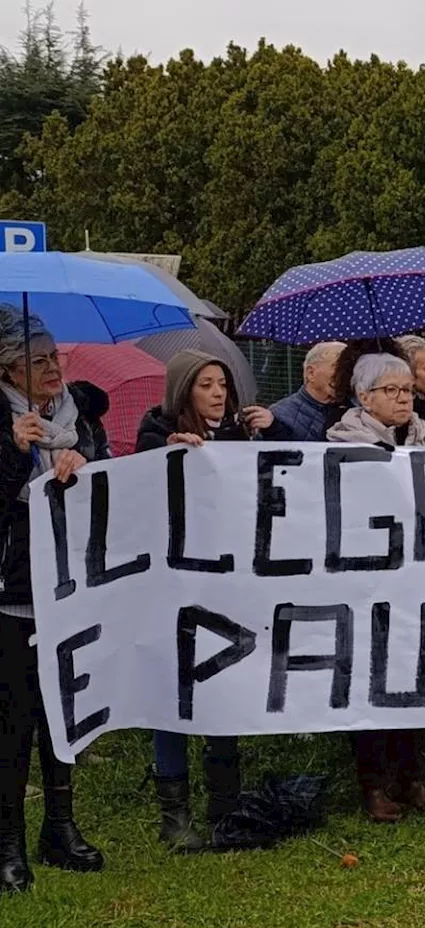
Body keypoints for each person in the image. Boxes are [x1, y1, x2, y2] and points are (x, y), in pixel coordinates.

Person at [136, 349, 287, 852]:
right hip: (172, 588)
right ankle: (174, 817)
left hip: (228, 586)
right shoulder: (156, 433)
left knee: (223, 687)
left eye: (222, 383)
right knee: (174, 695)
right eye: (205, 384)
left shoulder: (242, 435)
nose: (218, 392)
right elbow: (137, 483)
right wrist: (167, 455)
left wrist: (277, 431)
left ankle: (226, 805)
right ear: (183, 391)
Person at [0, 311, 107, 893]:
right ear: (8, 369)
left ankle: (59, 828)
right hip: (13, 591)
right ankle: (9, 843)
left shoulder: (77, 417)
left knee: (62, 711)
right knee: (14, 721)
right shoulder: (3, 421)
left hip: (71, 586)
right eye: (38, 361)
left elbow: (113, 479)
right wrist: (16, 454)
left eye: (55, 357)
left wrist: (81, 464)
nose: (52, 369)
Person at [328, 353, 425, 820]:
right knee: (372, 679)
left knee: (411, 673)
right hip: (365, 581)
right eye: (390, 391)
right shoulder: (339, 443)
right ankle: (373, 783)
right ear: (363, 398)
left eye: (407, 390)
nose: (402, 399)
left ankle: (409, 774)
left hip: (415, 576)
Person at [269, 340, 344, 441]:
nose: (345, 374)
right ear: (311, 373)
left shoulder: (357, 411)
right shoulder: (279, 416)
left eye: (348, 368)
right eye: (337, 366)